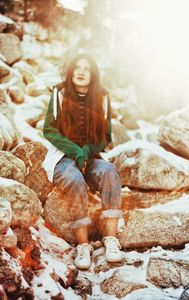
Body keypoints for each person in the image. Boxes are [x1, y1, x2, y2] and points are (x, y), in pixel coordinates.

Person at [43, 54, 123, 270]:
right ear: (71, 70)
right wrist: (75, 151)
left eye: (86, 69)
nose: (80, 72)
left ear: (93, 74)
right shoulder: (59, 92)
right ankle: (83, 245)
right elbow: (49, 130)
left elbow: (105, 136)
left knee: (110, 172)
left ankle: (111, 239)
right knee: (74, 179)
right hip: (63, 157)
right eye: (77, 67)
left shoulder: (103, 96)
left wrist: (87, 151)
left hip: (92, 157)